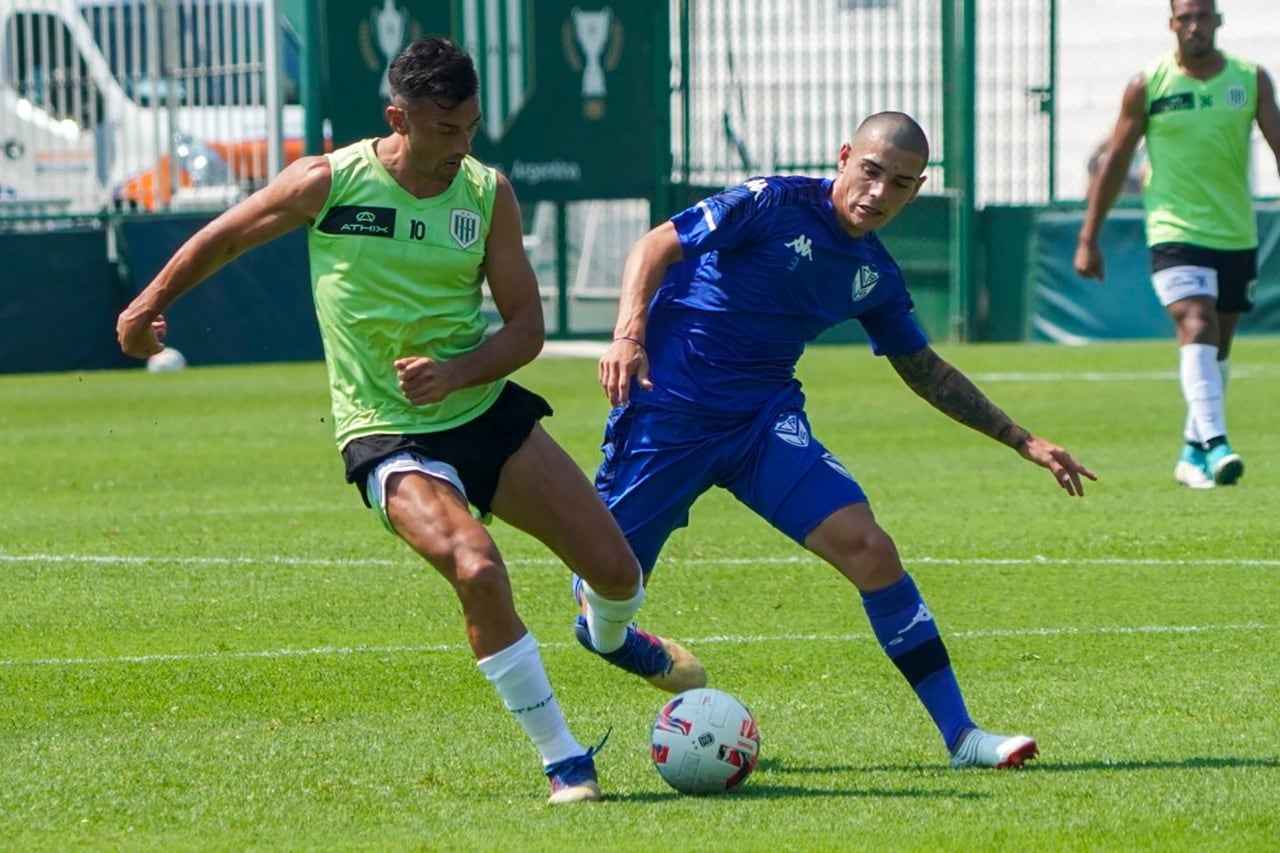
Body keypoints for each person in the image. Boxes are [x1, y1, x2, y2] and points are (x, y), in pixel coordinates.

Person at [115, 36, 704, 805]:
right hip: (384, 428)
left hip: (479, 406)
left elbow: (527, 327)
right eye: (445, 130)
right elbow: (226, 235)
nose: (462, 146)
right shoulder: (330, 182)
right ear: (399, 119)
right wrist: (146, 306)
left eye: (471, 127)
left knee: (619, 573)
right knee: (477, 568)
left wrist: (456, 372)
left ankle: (610, 632)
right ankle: (563, 758)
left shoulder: (487, 194)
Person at [576, 111, 1097, 770]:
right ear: (845, 156)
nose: (878, 193)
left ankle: (963, 737)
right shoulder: (771, 202)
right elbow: (655, 245)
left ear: (918, 190)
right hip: (667, 415)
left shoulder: (873, 273)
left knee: (871, 549)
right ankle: (616, 637)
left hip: (761, 424)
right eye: (871, 172)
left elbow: (926, 370)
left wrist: (1022, 440)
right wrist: (628, 334)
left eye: (900, 183)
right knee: (609, 588)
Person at [1075, 0, 1280, 489]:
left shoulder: (1250, 79)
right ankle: (1217, 444)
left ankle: (1191, 452)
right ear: (1172, 24)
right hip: (1173, 231)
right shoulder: (1148, 84)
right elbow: (1116, 160)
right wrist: (1089, 237)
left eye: (1202, 16)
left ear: (1218, 21)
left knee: (1217, 346)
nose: (1193, 26)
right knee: (1196, 322)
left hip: (1235, 232)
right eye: (1184, 17)